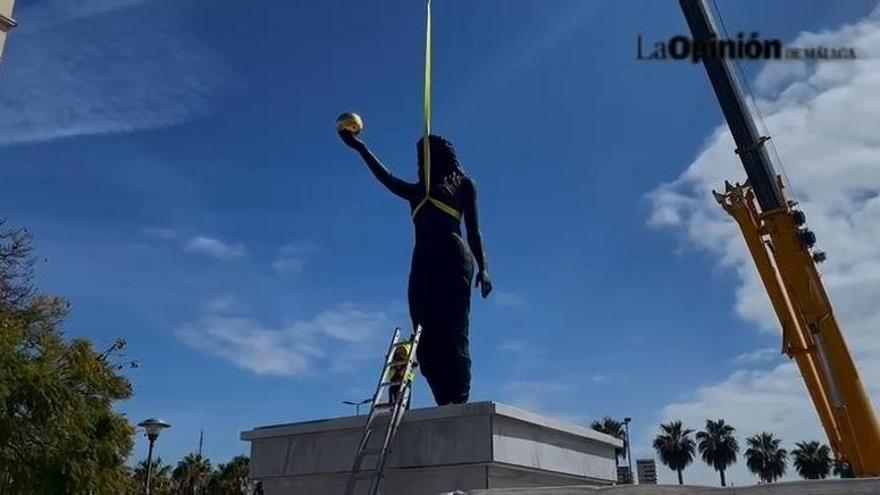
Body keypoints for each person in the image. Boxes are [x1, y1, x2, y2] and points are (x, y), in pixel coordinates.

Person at [339, 130, 492, 406]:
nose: (420, 164)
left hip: (454, 261)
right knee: (424, 336)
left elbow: (474, 231)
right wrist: (360, 147)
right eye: (419, 159)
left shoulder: (464, 185)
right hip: (423, 263)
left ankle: (459, 399)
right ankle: (443, 399)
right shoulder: (416, 192)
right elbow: (386, 177)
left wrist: (485, 268)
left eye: (424, 158)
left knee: (454, 332)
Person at [388, 340, 416, 408]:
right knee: (397, 403)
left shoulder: (406, 360)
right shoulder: (395, 361)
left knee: (403, 403)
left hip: (404, 380)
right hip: (396, 380)